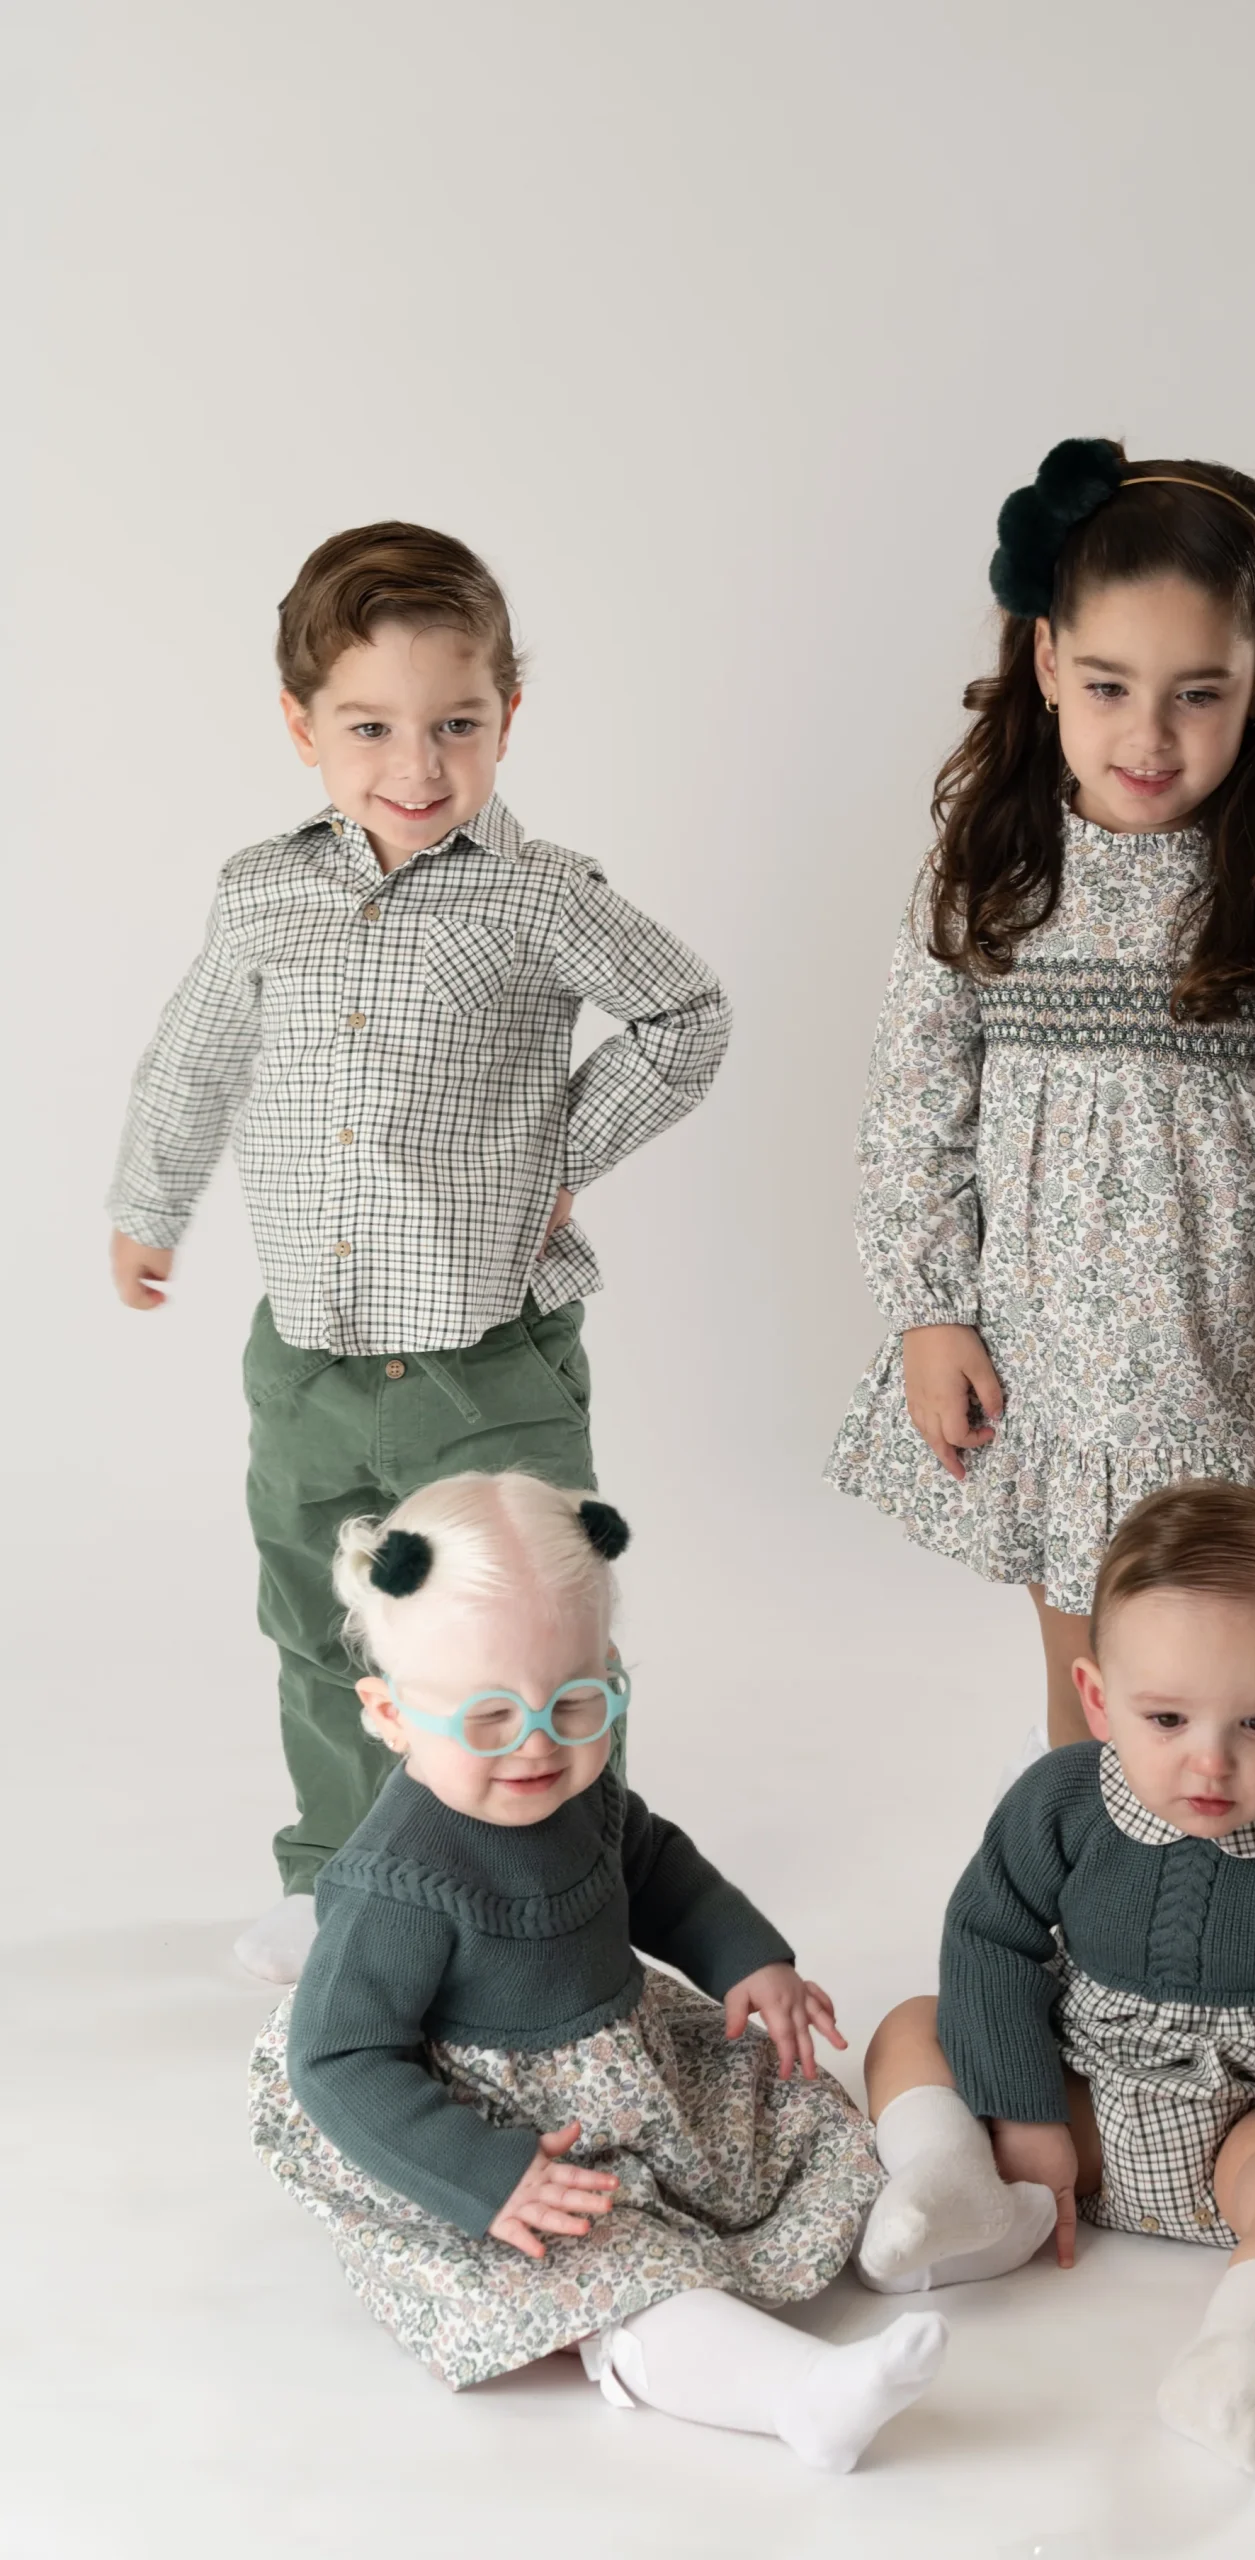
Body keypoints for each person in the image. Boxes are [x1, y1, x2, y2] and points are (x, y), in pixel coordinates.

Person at [106, 522, 731, 1980]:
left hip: (486, 1355)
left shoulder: (541, 895)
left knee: (534, 1625)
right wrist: (150, 1205)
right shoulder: (261, 891)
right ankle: (342, 1874)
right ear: (302, 727)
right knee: (322, 1621)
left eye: (456, 723)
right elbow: (194, 1056)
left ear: (508, 713)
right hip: (311, 1357)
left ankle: (567, 1880)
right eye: (371, 727)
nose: (418, 764)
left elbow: (686, 1015)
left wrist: (560, 1157)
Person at [827, 440, 1255, 1746]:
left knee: (1233, 1677)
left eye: (1196, 694)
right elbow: (913, 1121)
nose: (1148, 737)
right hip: (1051, 1371)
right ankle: (1079, 1877)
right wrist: (930, 1317)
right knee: (1096, 1686)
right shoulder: (988, 886)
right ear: (1047, 660)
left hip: (1239, 1372)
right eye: (1108, 685)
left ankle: (1242, 1878)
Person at [250, 1470, 947, 2469]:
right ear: (390, 1713)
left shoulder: (582, 1792)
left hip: (627, 2065)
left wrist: (747, 1955)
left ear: (609, 1672)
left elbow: (655, 1868)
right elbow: (338, 2059)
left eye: (576, 1702)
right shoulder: (396, 1883)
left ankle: (920, 2227)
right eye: (489, 1719)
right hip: (506, 2134)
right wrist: (488, 2176)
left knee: (800, 2109)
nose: (536, 1746)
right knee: (605, 2261)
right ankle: (793, 2393)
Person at [855, 1480, 1255, 2478]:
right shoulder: (1059, 1803)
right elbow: (989, 1936)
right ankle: (960, 2186)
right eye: (1168, 1717)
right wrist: (1022, 2109)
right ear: (1098, 1697)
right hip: (1082, 2097)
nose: (1211, 1762)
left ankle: (1241, 2352)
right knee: (912, 2026)